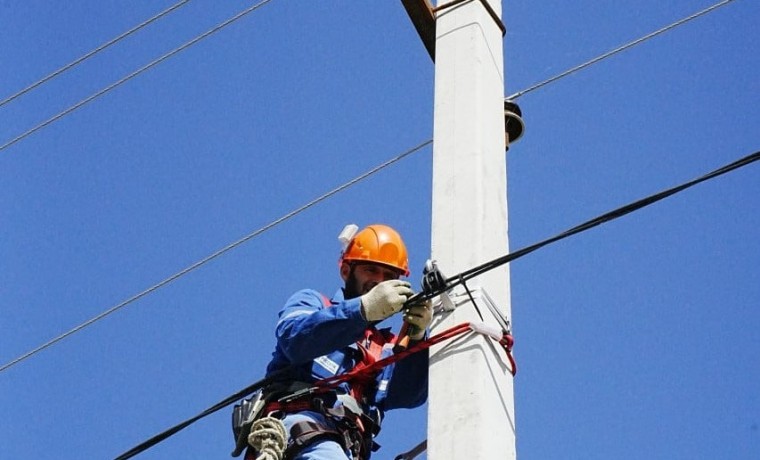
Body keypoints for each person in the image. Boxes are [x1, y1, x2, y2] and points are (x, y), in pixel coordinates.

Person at [246, 224, 432, 460]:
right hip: (301, 432)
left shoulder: (386, 348)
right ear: (346, 271)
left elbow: (409, 395)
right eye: (370, 270)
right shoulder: (313, 303)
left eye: (388, 276)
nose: (379, 281)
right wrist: (362, 310)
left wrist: (416, 339)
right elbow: (294, 339)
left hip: (346, 447)